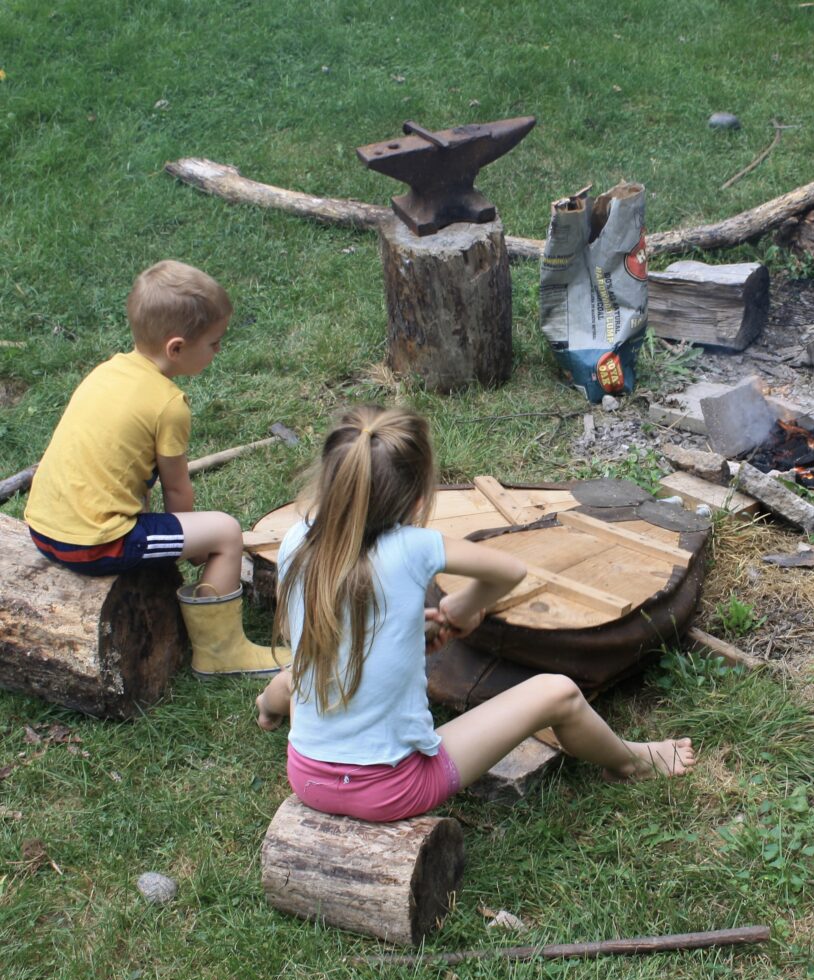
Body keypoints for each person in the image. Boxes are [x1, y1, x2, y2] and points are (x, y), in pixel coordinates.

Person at [255, 405, 696, 822]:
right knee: (556, 692)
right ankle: (631, 762)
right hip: (393, 789)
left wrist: (409, 628)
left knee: (304, 667)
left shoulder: (297, 540)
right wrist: (463, 608)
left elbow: (341, 618)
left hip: (308, 778)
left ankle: (267, 707)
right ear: (416, 501)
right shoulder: (414, 547)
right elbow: (509, 572)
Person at [24, 259, 283, 677]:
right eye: (215, 343)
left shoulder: (107, 371)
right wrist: (197, 545)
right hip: (92, 541)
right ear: (176, 348)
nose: (219, 351)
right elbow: (178, 492)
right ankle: (221, 652)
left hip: (42, 527)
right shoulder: (168, 404)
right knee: (226, 532)